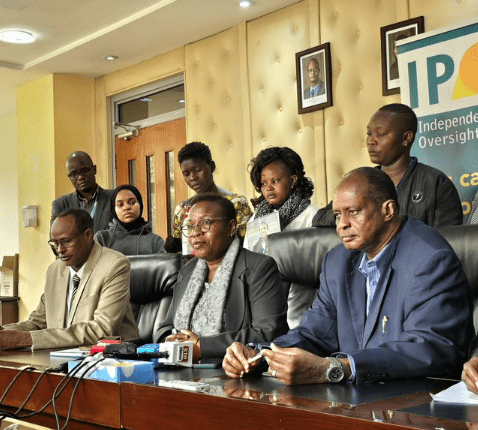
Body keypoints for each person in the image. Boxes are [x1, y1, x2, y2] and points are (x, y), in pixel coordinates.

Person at [224, 167, 472, 385]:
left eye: (353, 212)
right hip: (354, 403)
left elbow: (430, 349)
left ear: (387, 210)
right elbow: (314, 333)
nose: (341, 225)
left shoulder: (429, 258)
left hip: (414, 401)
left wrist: (334, 369)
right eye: (336, 215)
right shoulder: (338, 261)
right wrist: (259, 354)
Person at [153, 194, 288, 362]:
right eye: (190, 227)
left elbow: (268, 333)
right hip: (181, 366)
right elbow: (165, 327)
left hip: (231, 370)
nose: (195, 233)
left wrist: (202, 346)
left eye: (205, 223)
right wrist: (168, 340)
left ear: (231, 227)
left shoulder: (259, 268)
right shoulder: (186, 272)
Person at [0, 209, 139, 350]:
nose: (60, 250)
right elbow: (39, 322)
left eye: (66, 241)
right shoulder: (54, 270)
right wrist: (5, 331)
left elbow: (102, 329)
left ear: (88, 235)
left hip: (108, 359)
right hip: (59, 358)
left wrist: (25, 339)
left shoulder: (114, 264)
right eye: (55, 243)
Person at [312, 103, 463, 228]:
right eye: (369, 134)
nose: (371, 141)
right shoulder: (361, 182)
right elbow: (320, 218)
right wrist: (360, 212)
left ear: (406, 138)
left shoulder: (436, 183)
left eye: (381, 134)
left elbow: (449, 242)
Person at [165, 141, 252, 254]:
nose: (192, 177)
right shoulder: (182, 209)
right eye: (186, 174)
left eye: (197, 170)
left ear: (212, 167)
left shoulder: (237, 203)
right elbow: (178, 252)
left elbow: (246, 245)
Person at [243, 146, 319, 250]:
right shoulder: (256, 219)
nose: (269, 188)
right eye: (264, 183)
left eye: (275, 181)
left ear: (293, 180)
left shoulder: (312, 215)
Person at [51, 151, 114, 233]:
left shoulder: (114, 197)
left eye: (84, 170)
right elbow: (55, 238)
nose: (80, 177)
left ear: (94, 170)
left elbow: (120, 232)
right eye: (73, 174)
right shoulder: (61, 204)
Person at [94, 184, 165, 255]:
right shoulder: (102, 238)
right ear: (113, 210)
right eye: (120, 205)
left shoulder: (156, 241)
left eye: (132, 202)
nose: (126, 207)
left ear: (140, 205)